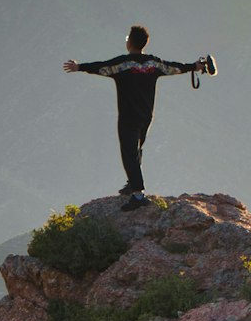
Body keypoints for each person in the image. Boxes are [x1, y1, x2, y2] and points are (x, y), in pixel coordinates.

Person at [63, 25, 213, 211]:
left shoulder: (123, 65)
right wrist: (195, 66)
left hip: (128, 116)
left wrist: (79, 67)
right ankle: (132, 184)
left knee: (129, 152)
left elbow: (102, 67)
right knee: (137, 149)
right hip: (146, 115)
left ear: (130, 42)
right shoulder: (153, 64)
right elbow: (174, 68)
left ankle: (138, 194)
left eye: (127, 38)